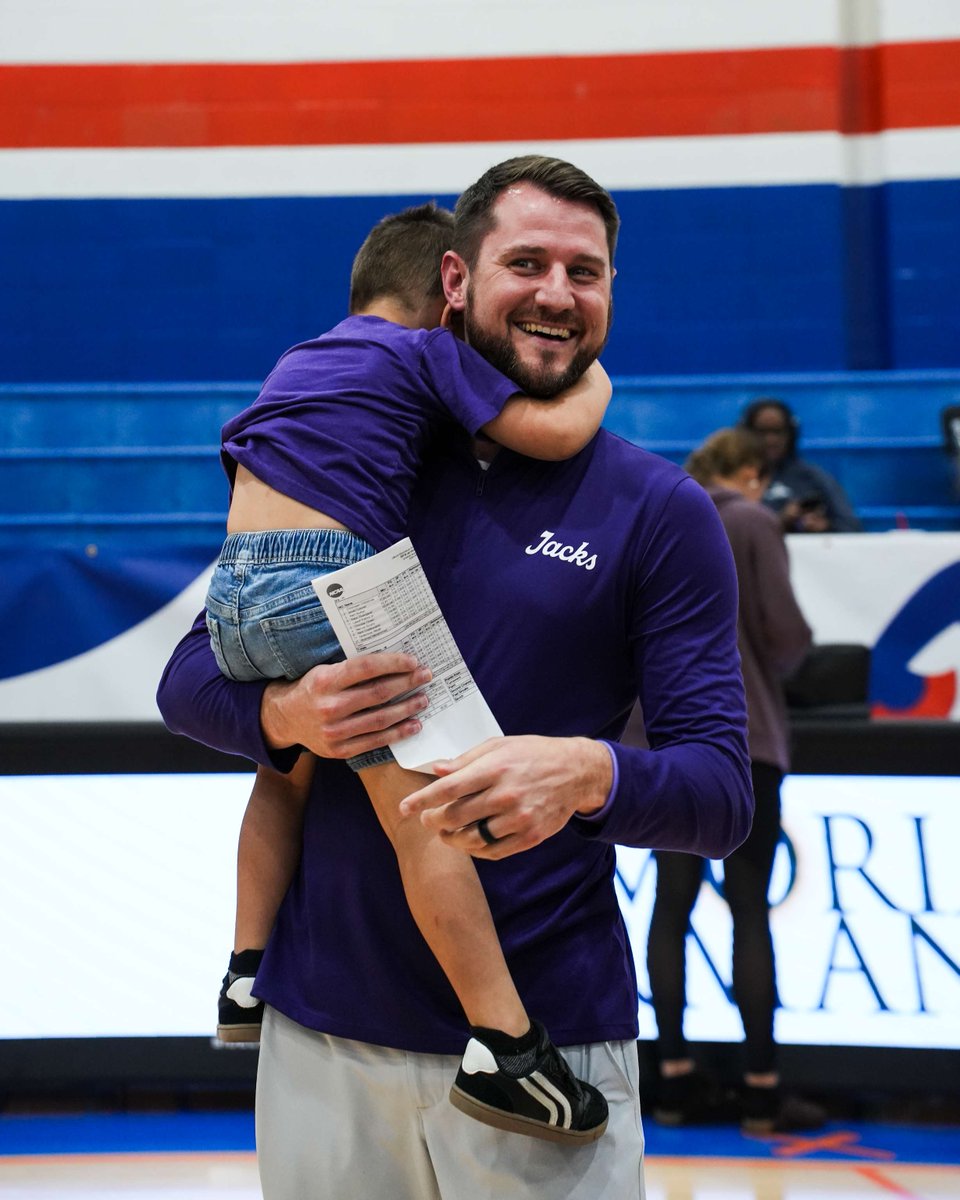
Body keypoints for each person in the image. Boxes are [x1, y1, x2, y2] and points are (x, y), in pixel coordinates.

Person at [158, 155, 754, 1200]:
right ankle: (261, 976)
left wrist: (588, 775)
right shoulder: (369, 459)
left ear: (611, 292)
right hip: (322, 1041)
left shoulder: (661, 510)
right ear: (455, 280)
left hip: (560, 1035)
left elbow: (719, 796)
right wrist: (289, 713)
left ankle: (498, 1039)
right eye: (527, 263)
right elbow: (185, 683)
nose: (557, 293)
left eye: (585, 271)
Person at [209, 201, 613, 1140]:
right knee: (428, 813)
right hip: (330, 582)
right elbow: (553, 434)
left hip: (232, 593)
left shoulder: (299, 358)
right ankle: (505, 1043)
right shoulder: (426, 353)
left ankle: (244, 972)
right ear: (449, 295)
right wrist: (593, 378)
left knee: (283, 775)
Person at [646, 426, 823, 1132]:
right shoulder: (751, 520)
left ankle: (673, 1083)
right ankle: (760, 1090)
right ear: (750, 473)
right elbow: (786, 634)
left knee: (670, 905)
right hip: (740, 737)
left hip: (661, 742)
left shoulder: (658, 513)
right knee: (749, 907)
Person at [740, 397, 862, 532]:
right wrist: (780, 521)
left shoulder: (813, 477)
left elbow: (852, 528)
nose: (771, 440)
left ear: (791, 435)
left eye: (778, 432)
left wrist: (826, 528)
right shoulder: (733, 479)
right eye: (762, 432)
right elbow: (729, 531)